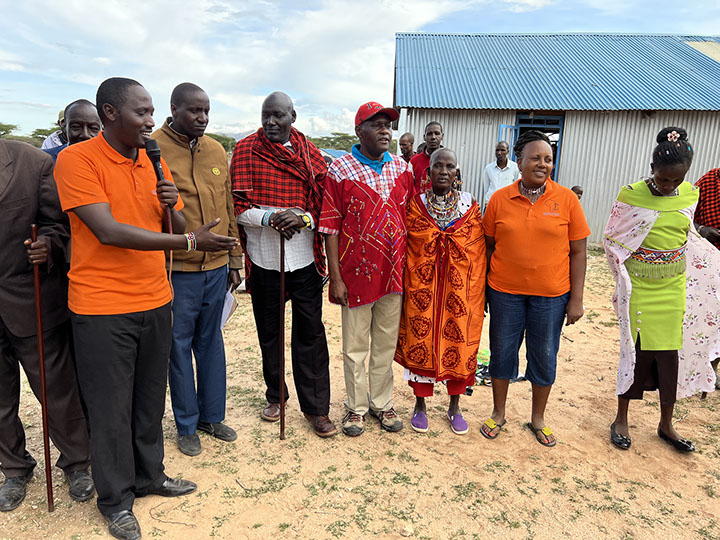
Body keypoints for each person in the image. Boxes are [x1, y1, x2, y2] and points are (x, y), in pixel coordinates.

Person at [54, 77, 238, 540]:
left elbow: (173, 221)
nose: (150, 121)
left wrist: (171, 205)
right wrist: (190, 240)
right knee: (110, 407)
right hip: (102, 307)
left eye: (152, 111)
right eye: (142, 112)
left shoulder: (152, 159)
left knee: (149, 398)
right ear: (110, 113)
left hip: (155, 298)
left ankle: (150, 475)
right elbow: (109, 231)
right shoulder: (77, 159)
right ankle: (116, 500)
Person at [604, 128, 720, 453]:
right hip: (640, 288)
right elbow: (612, 238)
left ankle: (666, 424)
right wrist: (624, 277)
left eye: (676, 180)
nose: (669, 186)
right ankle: (621, 418)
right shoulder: (631, 195)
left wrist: (701, 239)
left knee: (670, 357)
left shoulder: (690, 195)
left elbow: (686, 231)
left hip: (673, 288)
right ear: (652, 168)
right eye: (663, 179)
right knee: (635, 353)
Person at [231, 91, 337, 438]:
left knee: (311, 335)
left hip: (304, 262)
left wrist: (302, 217)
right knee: (269, 334)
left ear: (293, 116)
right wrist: (271, 217)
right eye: (266, 115)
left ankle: (317, 409)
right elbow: (237, 207)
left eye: (278, 115)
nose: (271, 122)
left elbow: (325, 205)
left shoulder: (311, 154)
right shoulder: (246, 151)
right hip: (264, 261)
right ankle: (276, 395)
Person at [0, 139, 93, 512]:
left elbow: (60, 223)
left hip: (31, 297)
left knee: (56, 390)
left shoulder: (32, 162)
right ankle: (14, 468)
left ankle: (77, 462)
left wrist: (49, 245)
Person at [480, 130, 590, 447]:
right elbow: (488, 246)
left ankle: (538, 418)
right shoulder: (499, 199)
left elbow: (579, 251)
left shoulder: (567, 200)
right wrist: (483, 290)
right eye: (536, 158)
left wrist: (576, 299)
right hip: (504, 293)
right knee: (502, 352)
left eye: (548, 159)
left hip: (552, 296)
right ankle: (498, 412)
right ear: (520, 162)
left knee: (544, 355)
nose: (543, 164)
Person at [153, 82, 242, 456]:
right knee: (178, 347)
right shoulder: (153, 149)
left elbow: (228, 206)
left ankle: (211, 416)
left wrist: (234, 260)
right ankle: (186, 424)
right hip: (178, 269)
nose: (203, 117)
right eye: (194, 110)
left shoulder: (216, 150)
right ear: (174, 109)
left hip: (216, 268)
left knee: (211, 342)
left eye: (206, 111)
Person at [319, 101, 413, 437]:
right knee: (355, 346)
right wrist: (336, 278)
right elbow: (330, 226)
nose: (385, 131)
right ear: (359, 131)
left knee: (385, 343)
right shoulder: (340, 170)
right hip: (355, 276)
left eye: (388, 125)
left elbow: (410, 218)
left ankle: (382, 402)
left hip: (394, 274)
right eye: (376, 125)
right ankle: (356, 407)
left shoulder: (402, 168)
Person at [394, 148, 485, 435]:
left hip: (459, 288)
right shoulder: (416, 205)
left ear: (457, 172)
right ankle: (420, 405)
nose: (443, 171)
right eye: (438, 166)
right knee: (421, 337)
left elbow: (477, 249)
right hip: (423, 286)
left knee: (459, 341)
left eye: (449, 167)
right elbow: (409, 245)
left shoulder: (469, 204)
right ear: (428, 171)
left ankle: (455, 406)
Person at [694, 167, 720, 388]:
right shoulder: (708, 182)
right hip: (707, 264)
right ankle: (694, 367)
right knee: (702, 316)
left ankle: (712, 368)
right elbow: (683, 216)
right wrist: (702, 229)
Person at [481, 141, 520, 210]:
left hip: (507, 206)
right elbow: (486, 188)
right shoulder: (489, 168)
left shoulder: (515, 168)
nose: (499, 153)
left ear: (508, 152)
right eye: (497, 150)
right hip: (491, 205)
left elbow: (517, 187)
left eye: (502, 150)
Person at [409, 122, 444, 194]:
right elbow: (408, 188)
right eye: (429, 134)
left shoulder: (449, 160)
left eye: (437, 133)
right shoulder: (413, 162)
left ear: (442, 136)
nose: (433, 137)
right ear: (424, 137)